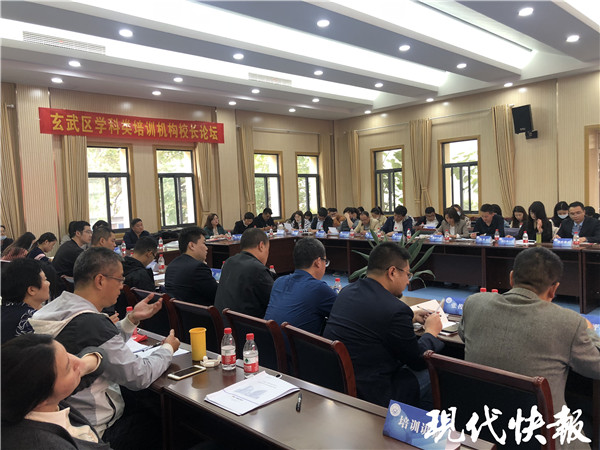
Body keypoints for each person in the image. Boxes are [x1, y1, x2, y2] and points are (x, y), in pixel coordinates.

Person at [30, 247, 180, 449]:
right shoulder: (91, 323)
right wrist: (168, 349)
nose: (122, 286)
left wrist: (131, 319)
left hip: (64, 421)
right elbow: (139, 376)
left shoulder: (57, 308)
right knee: (167, 422)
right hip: (95, 430)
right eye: (119, 279)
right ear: (100, 280)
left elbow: (101, 342)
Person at [459, 247, 600, 446]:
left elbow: (463, 335)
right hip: (542, 435)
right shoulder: (569, 322)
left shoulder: (474, 303)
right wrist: (589, 331)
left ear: (511, 278)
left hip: (480, 425)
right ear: (554, 289)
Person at [323, 243, 443, 408]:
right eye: (407, 274)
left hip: (338, 384)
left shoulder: (346, 292)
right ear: (392, 272)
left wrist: (411, 317)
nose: (408, 281)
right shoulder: (395, 310)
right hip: (375, 395)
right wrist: (431, 332)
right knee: (437, 371)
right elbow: (418, 361)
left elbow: (372, 321)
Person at [1, 334, 109, 450]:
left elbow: (99, 356)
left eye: (67, 354)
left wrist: (82, 366)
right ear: (41, 399)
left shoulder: (34, 399)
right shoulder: (44, 444)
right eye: (68, 367)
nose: (77, 361)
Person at [264, 238, 336, 334]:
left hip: (268, 341)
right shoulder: (319, 289)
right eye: (325, 261)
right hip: (296, 343)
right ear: (318, 262)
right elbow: (344, 312)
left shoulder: (278, 282)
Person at [214, 228, 273, 318]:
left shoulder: (229, 262)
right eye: (268, 249)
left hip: (222, 323)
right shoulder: (257, 269)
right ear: (261, 246)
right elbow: (275, 301)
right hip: (245, 325)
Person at [1, 258, 50, 344]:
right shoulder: (33, 320)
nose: (49, 283)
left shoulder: (4, 310)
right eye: (45, 279)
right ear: (32, 290)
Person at [165, 227, 217, 306]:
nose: (206, 248)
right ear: (191, 245)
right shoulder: (198, 268)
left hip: (181, 312)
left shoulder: (172, 265)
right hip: (200, 312)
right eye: (204, 243)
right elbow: (218, 294)